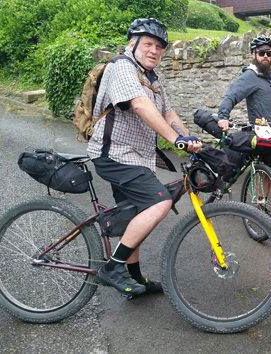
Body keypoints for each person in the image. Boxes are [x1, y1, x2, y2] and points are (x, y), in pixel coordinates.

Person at [87, 18, 202, 297]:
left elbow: (168, 113)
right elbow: (139, 105)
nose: (154, 50)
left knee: (134, 215)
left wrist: (191, 141)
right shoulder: (122, 66)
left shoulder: (152, 78)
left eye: (159, 47)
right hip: (114, 154)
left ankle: (134, 280)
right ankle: (113, 267)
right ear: (133, 44)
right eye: (148, 44)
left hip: (135, 157)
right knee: (160, 201)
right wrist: (174, 140)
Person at [215, 35, 271, 227]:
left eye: (269, 53)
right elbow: (232, 95)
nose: (266, 56)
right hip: (261, 133)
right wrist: (223, 116)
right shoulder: (249, 76)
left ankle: (270, 207)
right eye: (261, 53)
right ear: (254, 54)